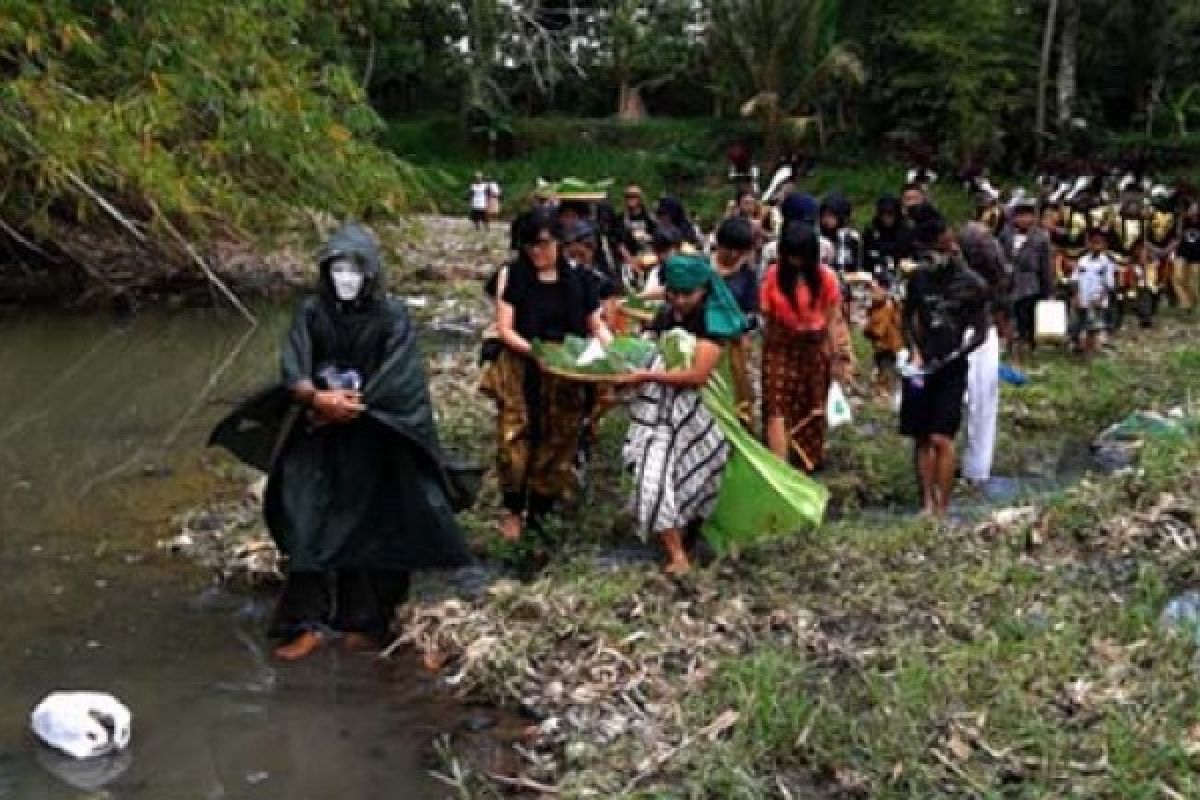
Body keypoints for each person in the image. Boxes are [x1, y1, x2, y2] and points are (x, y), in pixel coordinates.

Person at [210, 223, 474, 661]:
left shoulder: (393, 317)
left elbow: (402, 376)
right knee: (306, 518)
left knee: (369, 526)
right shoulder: (312, 313)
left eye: (354, 269)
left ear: (370, 273)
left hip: (373, 437)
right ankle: (306, 623)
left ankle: (364, 622)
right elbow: (294, 368)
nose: (345, 278)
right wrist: (317, 398)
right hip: (318, 433)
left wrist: (358, 404)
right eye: (337, 269)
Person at [483, 209, 613, 541]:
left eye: (543, 244)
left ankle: (541, 510)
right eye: (530, 246)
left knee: (560, 439)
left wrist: (613, 356)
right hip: (522, 363)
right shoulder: (512, 276)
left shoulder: (581, 280)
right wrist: (534, 352)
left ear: (558, 242)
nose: (537, 253)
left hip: (565, 367)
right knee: (514, 438)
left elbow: (595, 324)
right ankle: (513, 506)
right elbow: (505, 327)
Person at [624, 253, 747, 575]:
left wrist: (647, 377)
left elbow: (697, 376)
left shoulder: (712, 321)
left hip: (699, 414)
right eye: (673, 294)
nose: (678, 301)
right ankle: (676, 553)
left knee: (694, 477)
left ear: (703, 290)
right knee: (652, 476)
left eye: (685, 294)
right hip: (661, 413)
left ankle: (687, 541)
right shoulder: (668, 314)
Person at [900, 214, 990, 517]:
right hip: (920, 366)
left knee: (942, 436)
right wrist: (914, 350)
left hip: (952, 364)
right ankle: (926, 502)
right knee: (921, 435)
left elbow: (981, 332)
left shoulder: (973, 285)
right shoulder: (918, 279)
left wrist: (957, 354)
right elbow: (906, 319)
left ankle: (942, 506)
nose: (932, 258)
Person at [759, 222, 844, 472]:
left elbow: (832, 318)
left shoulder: (826, 279)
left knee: (811, 406)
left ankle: (805, 463)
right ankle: (779, 469)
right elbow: (766, 312)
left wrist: (836, 356)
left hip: (813, 346)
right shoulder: (773, 276)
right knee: (776, 405)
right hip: (780, 345)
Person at [957, 217, 1008, 487]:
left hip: (958, 335)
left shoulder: (955, 274)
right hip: (982, 336)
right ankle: (976, 471)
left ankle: (951, 466)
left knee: (958, 405)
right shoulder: (994, 277)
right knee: (982, 409)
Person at [712, 216, 759, 426]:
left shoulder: (747, 275)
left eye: (739, 251)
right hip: (705, 341)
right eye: (728, 248)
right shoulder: (703, 268)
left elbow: (752, 312)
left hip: (734, 345)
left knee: (736, 392)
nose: (733, 255)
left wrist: (742, 325)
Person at [999, 195, 1053, 363]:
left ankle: (1028, 349)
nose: (1024, 219)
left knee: (1028, 318)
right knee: (1009, 316)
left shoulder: (1041, 238)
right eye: (1020, 215)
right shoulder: (1005, 235)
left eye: (1028, 215)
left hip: (1030, 284)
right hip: (1009, 282)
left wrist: (1048, 290)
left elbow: (1045, 266)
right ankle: (1011, 348)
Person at [1072, 228, 1117, 358]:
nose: (1096, 245)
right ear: (1089, 244)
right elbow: (1075, 279)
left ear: (1104, 245)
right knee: (1078, 324)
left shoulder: (1107, 262)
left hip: (1097, 300)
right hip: (1082, 298)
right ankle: (1079, 347)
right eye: (1094, 242)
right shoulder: (1082, 260)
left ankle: (1089, 353)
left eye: (1100, 243)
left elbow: (1109, 284)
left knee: (1093, 326)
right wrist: (1076, 295)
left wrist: (1101, 298)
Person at [863, 273, 903, 401]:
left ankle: (883, 401)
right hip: (882, 349)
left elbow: (877, 331)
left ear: (883, 289)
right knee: (880, 378)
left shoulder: (887, 306)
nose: (870, 292)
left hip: (887, 349)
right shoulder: (879, 305)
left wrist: (866, 330)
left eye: (873, 289)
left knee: (884, 382)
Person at [863, 195, 907, 284]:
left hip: (899, 274)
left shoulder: (905, 232)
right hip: (874, 274)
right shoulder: (871, 231)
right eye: (883, 214)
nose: (886, 218)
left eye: (890, 214)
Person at [616, 184, 657, 266]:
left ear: (640, 198)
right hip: (630, 259)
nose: (630, 199)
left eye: (634, 196)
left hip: (649, 256)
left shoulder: (649, 217)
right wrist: (631, 260)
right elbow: (619, 243)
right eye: (628, 196)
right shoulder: (621, 218)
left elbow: (658, 237)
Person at [1175, 202, 1200, 312]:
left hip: (1197, 256)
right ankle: (1186, 303)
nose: (1193, 211)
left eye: (1195, 209)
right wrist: (1181, 219)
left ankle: (1195, 301)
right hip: (1183, 254)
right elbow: (1178, 234)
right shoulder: (1184, 221)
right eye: (1191, 209)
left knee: (1193, 281)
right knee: (1178, 277)